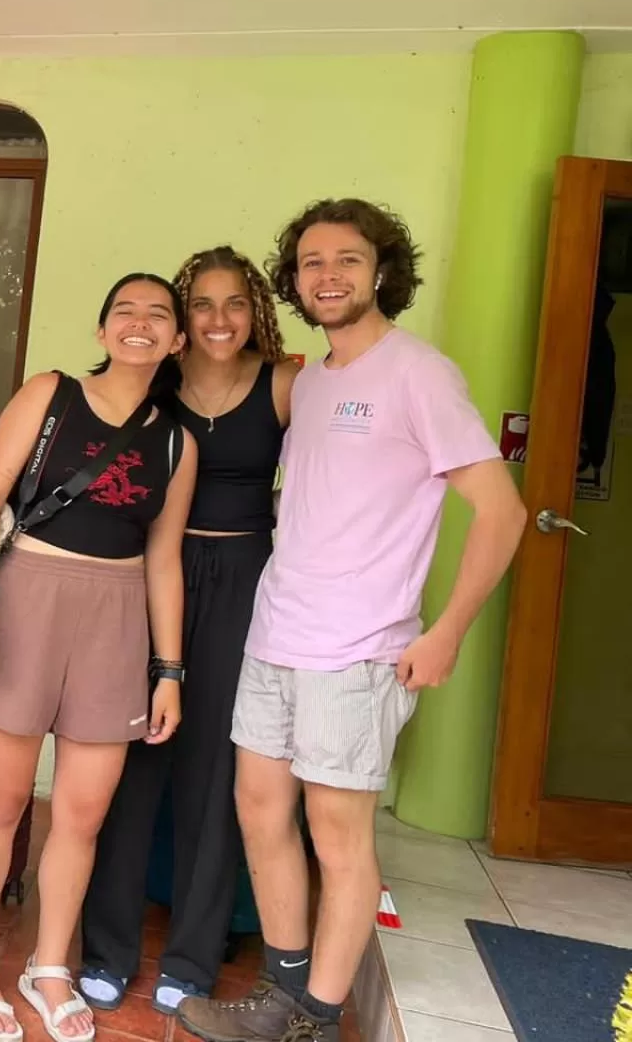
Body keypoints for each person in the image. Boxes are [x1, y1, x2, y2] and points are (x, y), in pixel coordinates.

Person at [179, 201, 527, 1042]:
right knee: (261, 811)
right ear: (295, 282)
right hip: (276, 632)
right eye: (310, 263)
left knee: (339, 834)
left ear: (381, 271)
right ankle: (282, 989)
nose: (327, 275)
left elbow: (502, 511)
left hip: (359, 647)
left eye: (346, 259)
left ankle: (316, 1017)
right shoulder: (317, 379)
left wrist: (445, 631)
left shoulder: (419, 373)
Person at [0, 274, 197, 1042]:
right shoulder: (50, 394)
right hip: (27, 596)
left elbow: (164, 559)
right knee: (3, 798)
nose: (140, 323)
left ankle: (49, 964)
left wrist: (169, 671)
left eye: (159, 314)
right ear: (101, 331)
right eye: (125, 310)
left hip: (118, 616)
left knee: (83, 813)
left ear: (177, 341)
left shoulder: (174, 442)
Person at [79, 249, 297, 1018]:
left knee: (216, 771)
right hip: (148, 576)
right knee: (130, 755)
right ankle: (105, 947)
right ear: (178, 322)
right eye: (200, 304)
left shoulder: (284, 385)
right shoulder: (155, 383)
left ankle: (194, 957)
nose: (217, 319)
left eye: (234, 303)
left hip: (244, 583)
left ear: (257, 311)